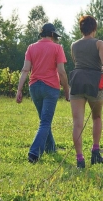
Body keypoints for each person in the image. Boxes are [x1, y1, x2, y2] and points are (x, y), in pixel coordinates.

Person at [16, 23, 70, 163]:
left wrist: (19, 90)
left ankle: (51, 148)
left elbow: (25, 70)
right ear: (52, 34)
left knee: (44, 121)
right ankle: (34, 153)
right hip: (50, 88)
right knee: (45, 122)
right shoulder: (57, 48)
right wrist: (67, 91)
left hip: (34, 87)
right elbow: (61, 72)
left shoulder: (31, 48)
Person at [70, 15, 103, 168]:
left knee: (77, 123)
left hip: (77, 81)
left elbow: (77, 62)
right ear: (94, 28)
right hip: (95, 82)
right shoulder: (99, 43)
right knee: (97, 117)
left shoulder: (74, 45)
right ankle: (95, 152)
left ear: (81, 29)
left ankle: (80, 159)